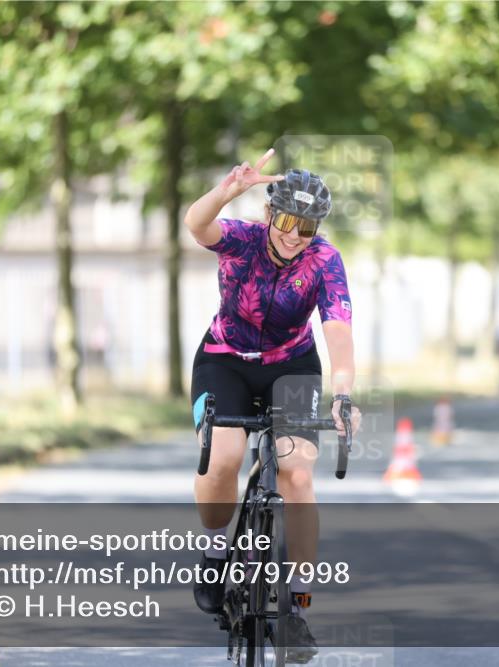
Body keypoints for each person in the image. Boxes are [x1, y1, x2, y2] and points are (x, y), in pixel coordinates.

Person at [183, 148, 361, 663]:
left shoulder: (324, 259)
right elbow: (196, 225)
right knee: (224, 457)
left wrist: (343, 392)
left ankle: (299, 604)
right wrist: (225, 192)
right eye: (285, 221)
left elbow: (338, 330)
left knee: (297, 473)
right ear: (269, 215)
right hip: (225, 360)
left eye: (305, 228)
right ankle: (217, 553)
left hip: (291, 365)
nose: (292, 235)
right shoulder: (241, 239)